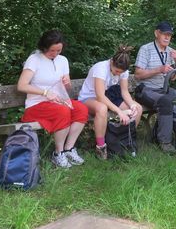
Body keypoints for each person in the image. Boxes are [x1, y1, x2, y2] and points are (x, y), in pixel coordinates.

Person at [17, 29, 88, 168]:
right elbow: (21, 86)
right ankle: (58, 153)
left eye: (58, 50)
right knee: (62, 111)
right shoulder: (34, 60)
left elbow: (66, 89)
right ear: (44, 47)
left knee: (81, 109)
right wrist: (45, 92)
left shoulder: (63, 60)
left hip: (59, 101)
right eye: (52, 51)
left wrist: (67, 83)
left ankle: (69, 149)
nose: (55, 54)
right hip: (37, 104)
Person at [134, 21, 176, 154]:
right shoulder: (146, 49)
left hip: (163, 88)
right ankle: (164, 142)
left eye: (169, 35)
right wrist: (159, 69)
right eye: (164, 34)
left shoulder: (171, 52)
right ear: (156, 33)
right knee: (165, 101)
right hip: (145, 90)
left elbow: (173, 77)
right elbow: (137, 75)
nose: (167, 37)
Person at [78, 45, 143, 160]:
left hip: (108, 98)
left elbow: (124, 92)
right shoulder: (101, 68)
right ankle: (101, 147)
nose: (118, 74)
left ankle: (127, 141)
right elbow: (100, 96)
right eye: (116, 71)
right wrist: (119, 112)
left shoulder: (123, 71)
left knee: (138, 108)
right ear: (111, 62)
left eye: (121, 72)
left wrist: (132, 105)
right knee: (102, 108)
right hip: (88, 99)